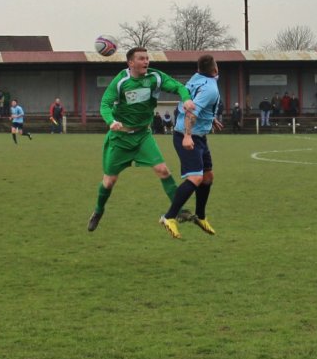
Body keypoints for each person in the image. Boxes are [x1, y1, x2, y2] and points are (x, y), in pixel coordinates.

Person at [87, 47, 196, 232]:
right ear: (131, 63)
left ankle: (178, 210)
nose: (146, 61)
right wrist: (111, 121)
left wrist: (185, 98)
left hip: (143, 135)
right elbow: (105, 104)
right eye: (141, 59)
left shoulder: (155, 77)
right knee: (109, 181)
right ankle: (98, 211)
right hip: (120, 138)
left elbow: (179, 86)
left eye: (147, 58)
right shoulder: (121, 81)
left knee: (163, 170)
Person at [159, 54, 222, 239]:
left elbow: (196, 102)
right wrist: (187, 136)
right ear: (215, 69)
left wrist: (211, 118)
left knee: (208, 177)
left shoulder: (196, 78)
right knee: (196, 177)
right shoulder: (210, 88)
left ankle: (200, 217)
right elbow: (191, 111)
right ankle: (169, 217)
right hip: (188, 135)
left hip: (199, 136)